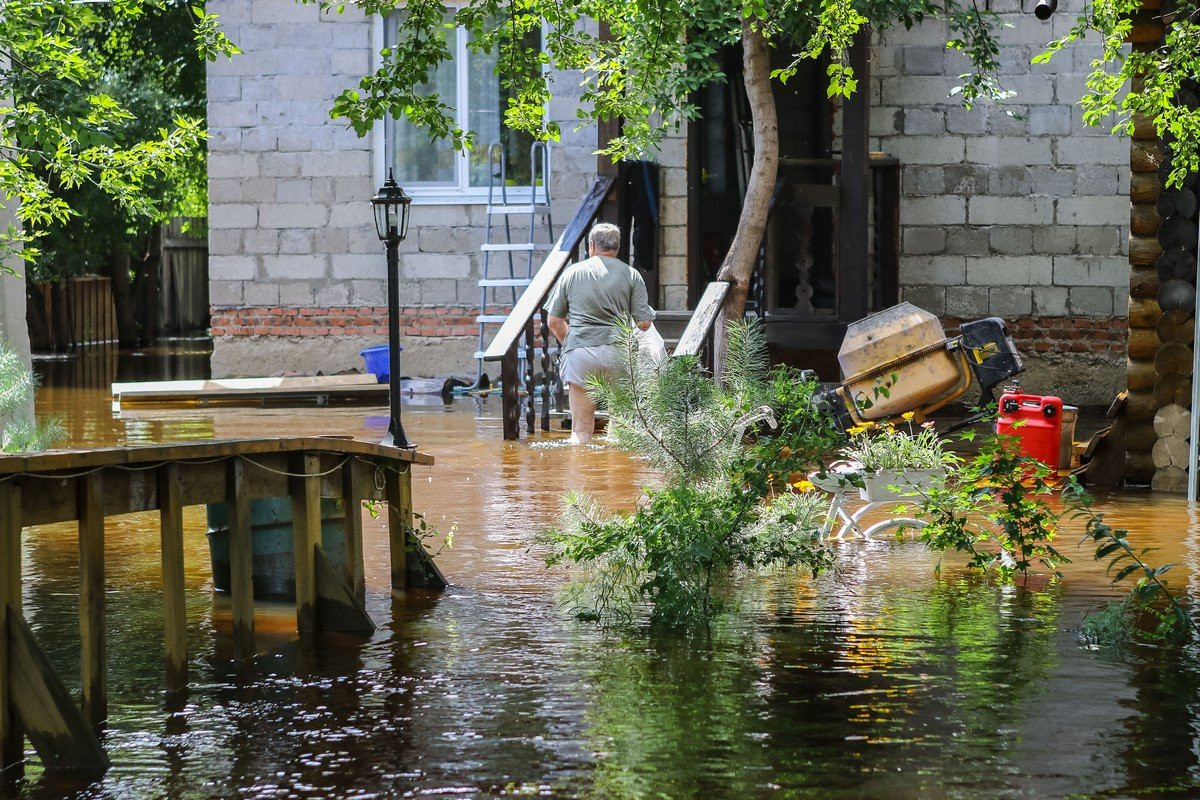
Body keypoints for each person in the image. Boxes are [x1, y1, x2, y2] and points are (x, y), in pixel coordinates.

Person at [546, 222, 655, 444]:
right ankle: (615, 467)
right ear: (618, 247)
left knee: (580, 430)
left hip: (581, 353)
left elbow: (554, 322)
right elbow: (644, 323)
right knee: (620, 430)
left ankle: (580, 466)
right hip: (619, 355)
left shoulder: (572, 273)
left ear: (591, 246)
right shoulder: (632, 275)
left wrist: (573, 342)